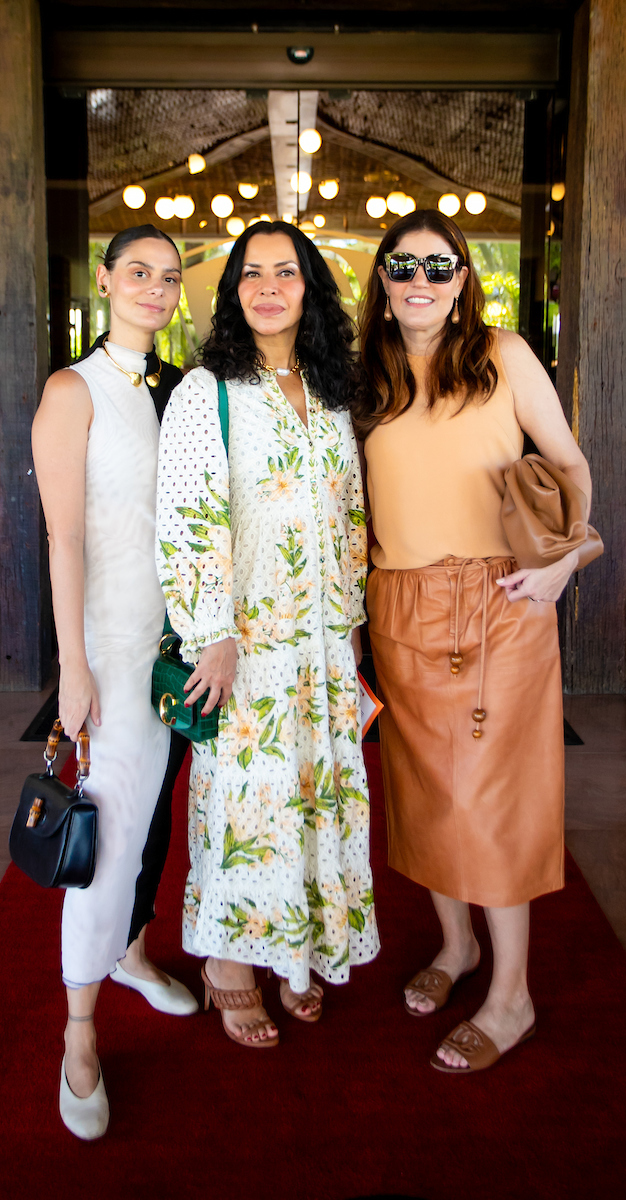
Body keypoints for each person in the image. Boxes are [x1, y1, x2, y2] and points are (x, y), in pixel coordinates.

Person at [353, 210, 592, 1074]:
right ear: (382, 278)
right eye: (404, 264)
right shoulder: (367, 374)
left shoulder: (504, 353)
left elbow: (567, 464)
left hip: (498, 601)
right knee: (424, 791)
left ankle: (512, 996)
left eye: (439, 265)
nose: (420, 278)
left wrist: (562, 568)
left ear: (462, 280)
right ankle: (456, 948)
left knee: (493, 797)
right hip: (400, 606)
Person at [155, 220, 379, 1048]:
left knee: (311, 800)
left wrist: (350, 625)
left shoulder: (329, 393)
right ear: (233, 292)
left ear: (309, 287)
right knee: (253, 805)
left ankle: (294, 954)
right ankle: (231, 966)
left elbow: (350, 514)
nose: (269, 287)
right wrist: (208, 632)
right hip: (244, 644)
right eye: (252, 274)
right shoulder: (205, 389)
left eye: (286, 272)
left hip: (320, 643)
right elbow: (185, 521)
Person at [31, 224, 196, 1141]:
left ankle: (133, 955)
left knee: (149, 819)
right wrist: (73, 668)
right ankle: (80, 1033)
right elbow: (64, 538)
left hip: (169, 647)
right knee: (105, 835)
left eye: (169, 277)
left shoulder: (171, 393)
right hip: (106, 644)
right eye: (138, 271)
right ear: (103, 279)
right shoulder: (73, 389)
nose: (154, 287)